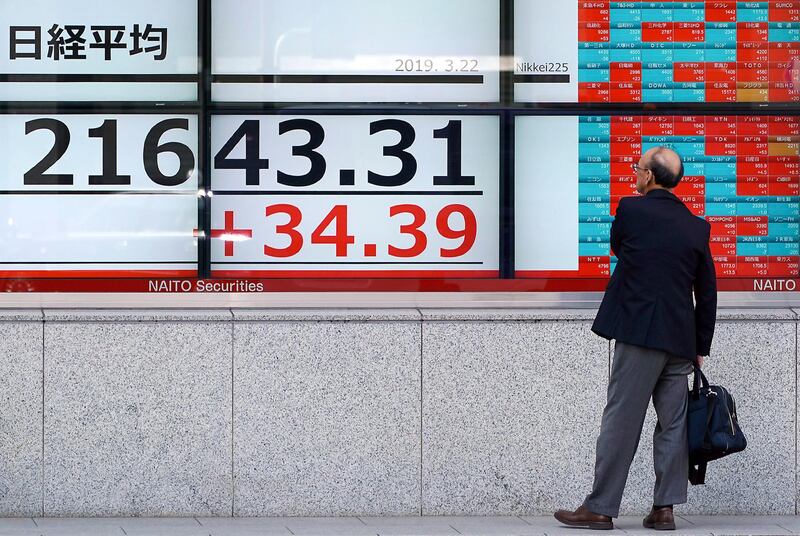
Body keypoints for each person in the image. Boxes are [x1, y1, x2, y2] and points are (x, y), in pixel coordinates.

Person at [554, 147, 717, 530]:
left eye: (638, 168)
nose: (635, 173)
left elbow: (619, 248)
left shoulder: (630, 210)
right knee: (673, 423)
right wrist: (700, 348)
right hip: (680, 340)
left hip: (640, 333)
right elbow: (706, 292)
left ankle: (600, 507)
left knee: (621, 420)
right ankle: (665, 509)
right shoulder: (697, 227)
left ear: (650, 177)